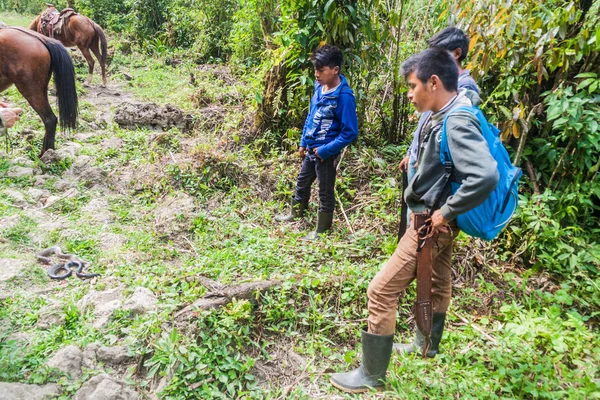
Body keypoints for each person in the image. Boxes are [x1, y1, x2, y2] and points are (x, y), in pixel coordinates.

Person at [330, 47, 499, 393]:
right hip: (437, 221)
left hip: (431, 224)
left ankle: (370, 375)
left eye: (412, 86)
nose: (409, 95)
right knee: (438, 280)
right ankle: (427, 345)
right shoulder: (449, 111)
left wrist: (446, 212)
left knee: (380, 290)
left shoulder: (457, 121)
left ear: (433, 82)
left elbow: (485, 175)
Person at [274, 44, 358, 241]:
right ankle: (295, 213)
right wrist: (303, 142)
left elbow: (350, 132)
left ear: (335, 70)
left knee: (325, 190)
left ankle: (321, 230)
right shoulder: (319, 88)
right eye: (315, 70)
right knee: (302, 182)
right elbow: (311, 116)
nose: (316, 74)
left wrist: (326, 150)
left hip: (325, 154)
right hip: (311, 149)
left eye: (321, 70)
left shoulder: (344, 97)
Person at [400, 27, 479, 189]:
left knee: (422, 211)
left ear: (457, 53)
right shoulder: (436, 80)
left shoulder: (465, 85)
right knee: (412, 210)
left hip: (431, 166)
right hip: (419, 157)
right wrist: (412, 151)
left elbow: (451, 132)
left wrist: (427, 162)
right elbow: (427, 120)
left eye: (439, 53)